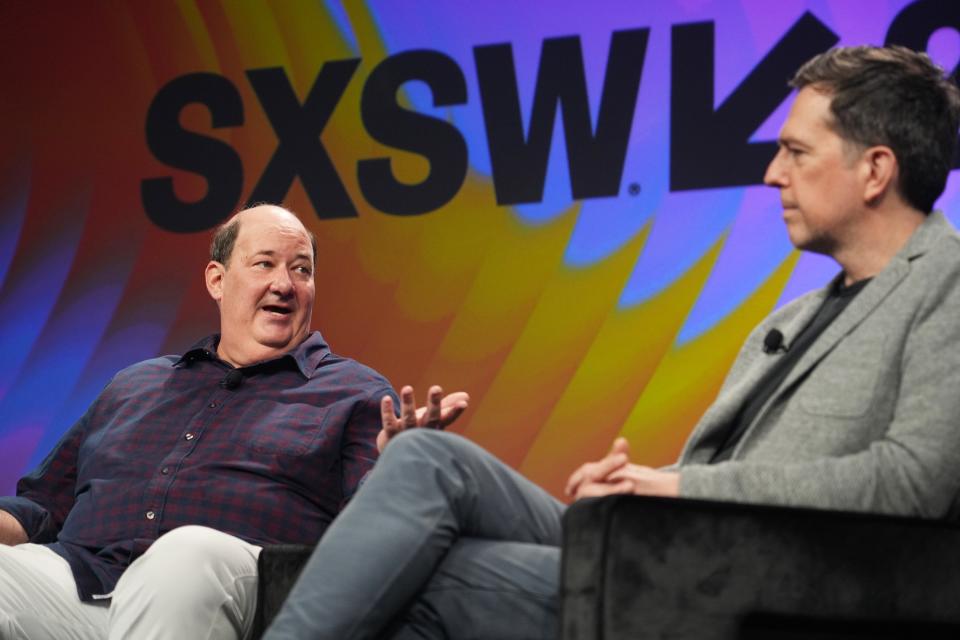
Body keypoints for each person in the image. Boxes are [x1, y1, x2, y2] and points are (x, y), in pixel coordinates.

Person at [262, 45, 960, 640]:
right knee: (424, 458)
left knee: (419, 573)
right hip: (675, 547)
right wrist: (639, 488)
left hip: (772, 585)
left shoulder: (947, 286)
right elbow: (723, 472)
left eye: (796, 152)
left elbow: (911, 482)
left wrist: (675, 487)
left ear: (875, 170)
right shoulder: (801, 314)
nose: (773, 173)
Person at [0, 204, 468, 640]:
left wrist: (399, 469)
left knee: (183, 557)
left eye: (301, 269)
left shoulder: (355, 393)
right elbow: (41, 507)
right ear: (217, 280)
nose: (284, 284)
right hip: (81, 582)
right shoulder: (134, 384)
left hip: (233, 590)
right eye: (264, 264)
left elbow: (375, 537)